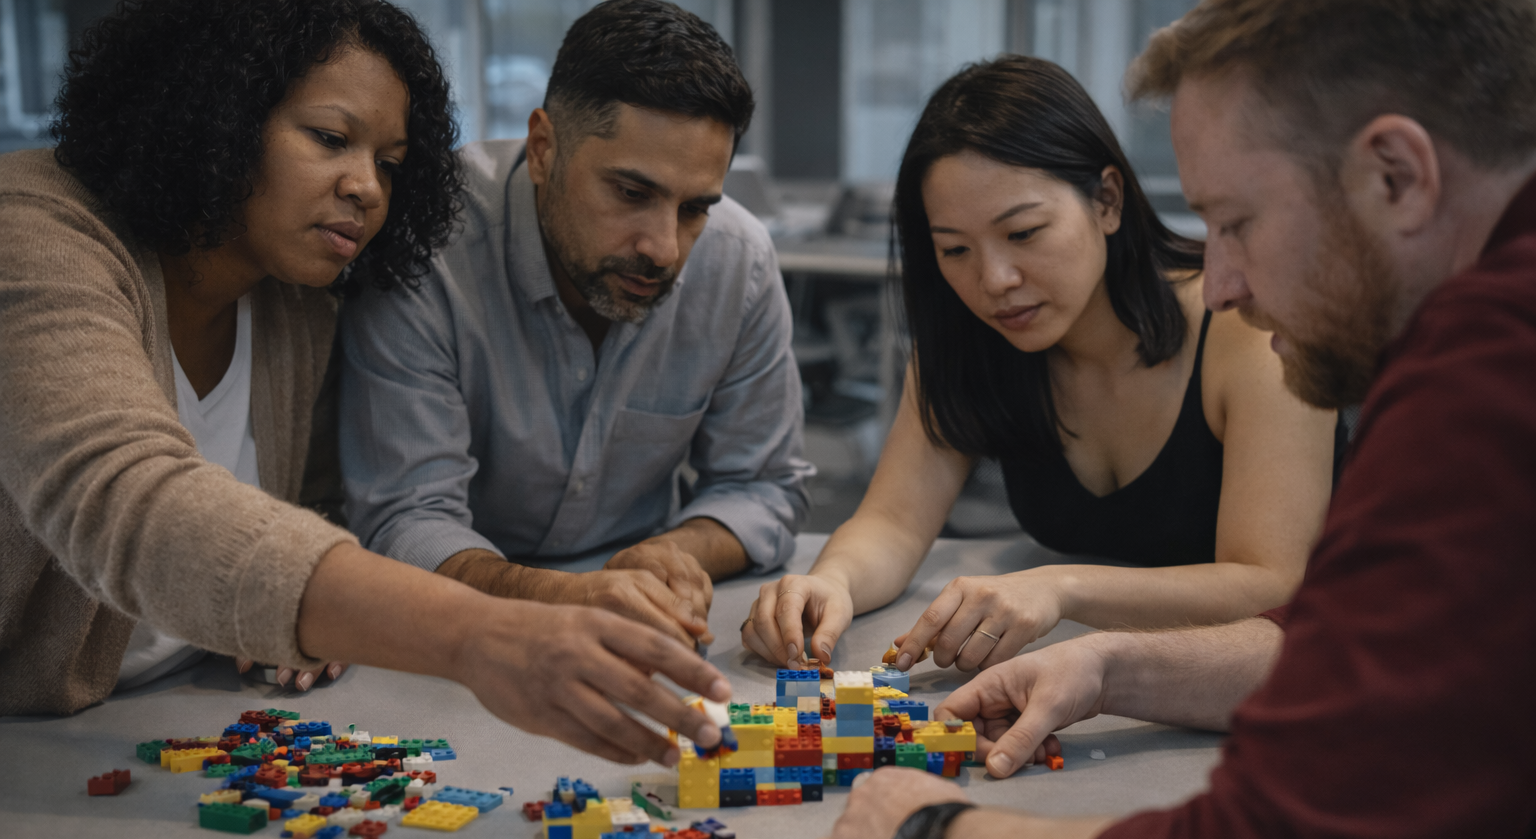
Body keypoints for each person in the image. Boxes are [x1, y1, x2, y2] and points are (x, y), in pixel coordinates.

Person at [811, 1, 1536, 839]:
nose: (1223, 279)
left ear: (1395, 176)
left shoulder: (1491, 377)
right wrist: (1114, 662)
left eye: (1236, 221)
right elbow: (1368, 641)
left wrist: (927, 836)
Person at [0, 0, 729, 767]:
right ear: (216, 107)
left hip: (198, 726)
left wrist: (301, 624)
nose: (367, 189)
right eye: (329, 139)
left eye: (388, 162)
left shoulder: (296, 297)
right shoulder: (32, 234)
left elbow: (302, 514)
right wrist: (480, 633)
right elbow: (127, 498)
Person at [743, 55, 1345, 676]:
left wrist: (1060, 587)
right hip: (1104, 683)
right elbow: (894, 524)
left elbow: (1271, 583)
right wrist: (832, 584)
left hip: (1291, 678)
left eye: (1024, 233)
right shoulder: (971, 336)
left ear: (1107, 201)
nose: (994, 281)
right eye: (954, 249)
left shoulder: (1247, 326)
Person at [338, 0, 811, 653]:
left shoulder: (740, 260)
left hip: (647, 620)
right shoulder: (427, 242)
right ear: (542, 149)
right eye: (631, 193)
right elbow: (405, 518)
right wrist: (569, 597)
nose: (665, 248)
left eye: (696, 207)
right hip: (457, 632)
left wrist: (669, 554)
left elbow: (762, 485)